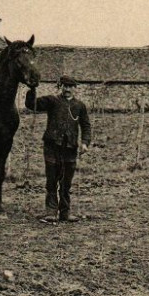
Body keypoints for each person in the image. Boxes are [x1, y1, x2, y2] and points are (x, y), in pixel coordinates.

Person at [25, 75, 92, 223]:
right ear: (60, 86)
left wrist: (85, 142)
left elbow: (86, 126)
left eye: (70, 86)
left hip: (70, 148)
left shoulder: (80, 106)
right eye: (65, 86)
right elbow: (31, 104)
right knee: (51, 181)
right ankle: (50, 212)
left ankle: (65, 213)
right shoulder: (51, 101)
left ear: (75, 89)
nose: (67, 89)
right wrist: (32, 89)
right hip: (52, 147)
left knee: (66, 183)